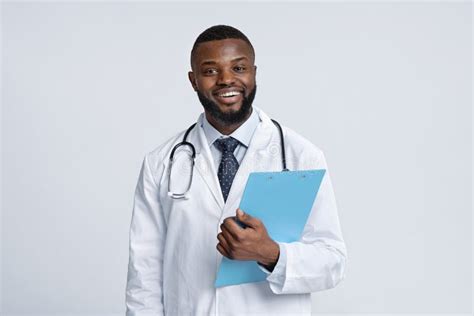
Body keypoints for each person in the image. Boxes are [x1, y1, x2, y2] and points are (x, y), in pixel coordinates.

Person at [126, 25, 347, 315]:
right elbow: (144, 277)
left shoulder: (301, 156)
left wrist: (271, 253)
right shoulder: (161, 163)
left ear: (254, 72)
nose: (227, 79)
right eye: (210, 71)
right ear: (193, 80)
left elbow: (333, 262)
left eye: (238, 67)